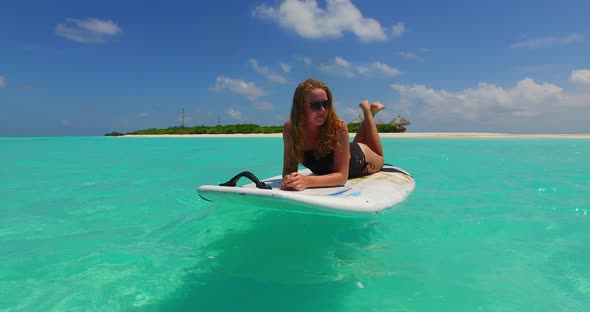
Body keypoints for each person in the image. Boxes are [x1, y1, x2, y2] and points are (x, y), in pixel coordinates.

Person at [281, 78, 385, 191]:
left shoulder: (338, 127)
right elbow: (288, 168)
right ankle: (369, 112)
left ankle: (368, 113)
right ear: (300, 107)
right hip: (345, 150)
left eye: (326, 104)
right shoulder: (291, 129)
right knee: (352, 146)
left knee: (380, 157)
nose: (322, 110)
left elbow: (341, 177)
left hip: (360, 159)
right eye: (315, 105)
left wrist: (306, 181)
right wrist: (289, 178)